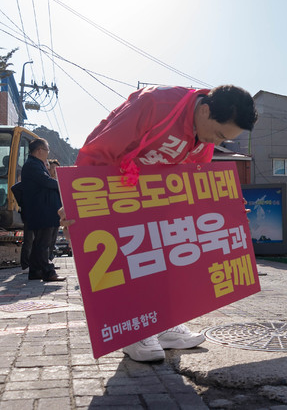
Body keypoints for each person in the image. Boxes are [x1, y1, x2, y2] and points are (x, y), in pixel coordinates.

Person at [68, 84, 258, 363]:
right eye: (218, 134)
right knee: (128, 259)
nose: (214, 143)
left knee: (170, 248)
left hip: (155, 194)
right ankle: (132, 332)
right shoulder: (154, 104)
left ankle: (165, 324)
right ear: (205, 110)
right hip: (116, 186)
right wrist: (79, 204)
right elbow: (98, 151)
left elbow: (198, 180)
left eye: (223, 140)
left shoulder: (203, 139)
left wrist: (230, 208)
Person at [21, 139, 65, 282]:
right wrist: (63, 184)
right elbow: (46, 182)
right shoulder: (32, 165)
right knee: (43, 243)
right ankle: (48, 271)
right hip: (41, 210)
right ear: (40, 150)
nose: (48, 153)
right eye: (47, 150)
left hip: (42, 209)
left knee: (39, 242)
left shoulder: (36, 164)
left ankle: (35, 271)